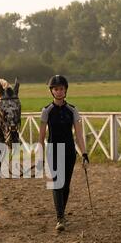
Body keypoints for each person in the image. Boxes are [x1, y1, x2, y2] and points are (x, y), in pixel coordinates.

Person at [38, 75, 89, 231]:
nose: (59, 91)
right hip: (53, 150)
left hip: (69, 151)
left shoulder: (72, 110)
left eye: (61, 89)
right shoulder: (47, 111)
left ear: (65, 90)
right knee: (56, 183)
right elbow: (41, 138)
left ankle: (62, 214)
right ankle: (60, 218)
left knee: (65, 185)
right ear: (52, 91)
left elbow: (79, 135)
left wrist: (84, 154)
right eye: (56, 89)